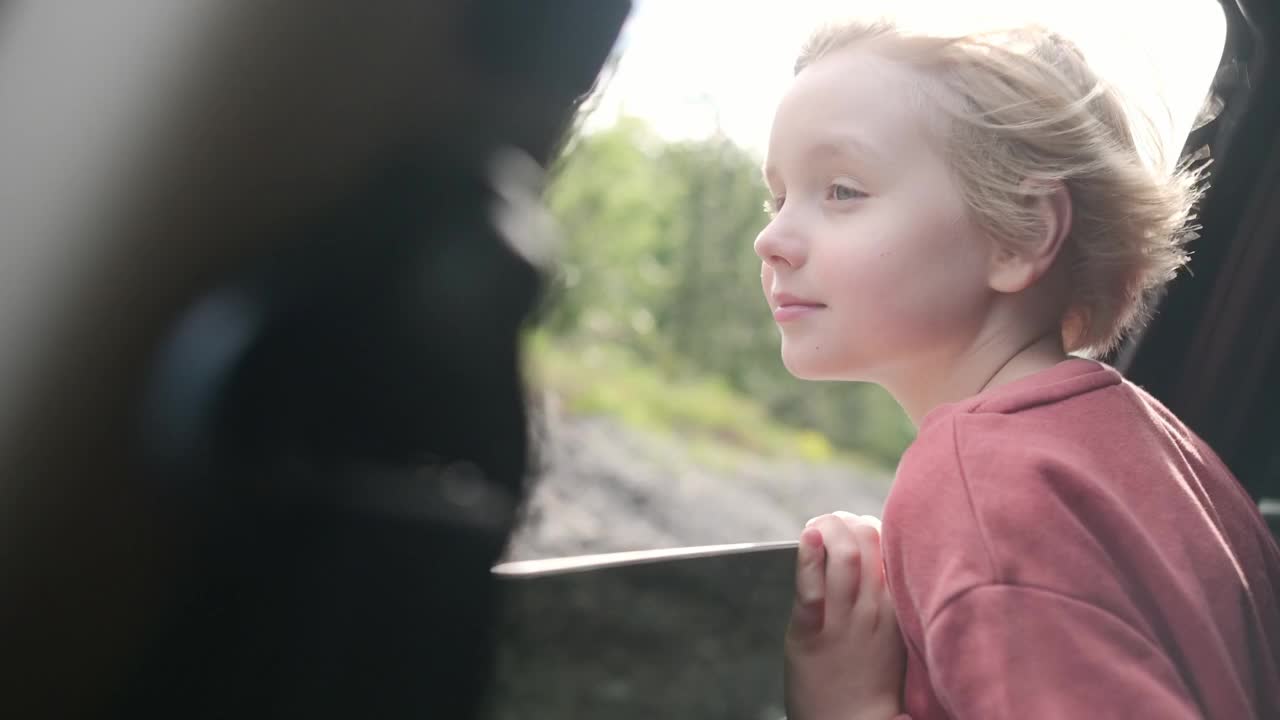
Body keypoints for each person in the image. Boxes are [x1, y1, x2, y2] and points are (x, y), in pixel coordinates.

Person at [755, 19, 1280, 720]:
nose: (770, 239)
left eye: (842, 190)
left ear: (1021, 231)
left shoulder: (974, 483)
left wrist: (848, 709)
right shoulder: (1167, 452)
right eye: (777, 197)